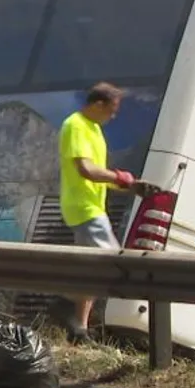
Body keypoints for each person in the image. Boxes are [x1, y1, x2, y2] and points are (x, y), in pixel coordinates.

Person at [58, 82, 145, 343]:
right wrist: (120, 177)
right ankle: (65, 297)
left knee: (91, 266)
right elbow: (85, 169)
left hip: (91, 206)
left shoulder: (94, 128)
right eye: (112, 110)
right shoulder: (75, 125)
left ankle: (80, 328)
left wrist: (128, 186)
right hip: (84, 208)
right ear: (98, 104)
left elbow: (98, 174)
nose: (113, 116)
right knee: (114, 262)